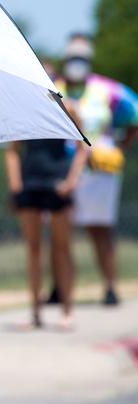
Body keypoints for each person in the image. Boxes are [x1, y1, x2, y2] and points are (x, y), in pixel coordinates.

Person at [56, 34, 138, 306]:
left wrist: (121, 145)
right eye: (72, 59)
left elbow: (134, 115)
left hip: (99, 170)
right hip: (63, 169)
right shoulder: (54, 88)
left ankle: (110, 286)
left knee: (100, 229)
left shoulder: (108, 90)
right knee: (59, 231)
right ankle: (59, 288)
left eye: (81, 59)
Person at [4, 62, 88, 330]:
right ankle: (36, 312)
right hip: (31, 182)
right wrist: (16, 185)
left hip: (58, 182)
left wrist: (72, 181)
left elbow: (84, 147)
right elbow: (13, 151)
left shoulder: (68, 107)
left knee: (62, 249)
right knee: (33, 250)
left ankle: (67, 311)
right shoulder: (22, 110)